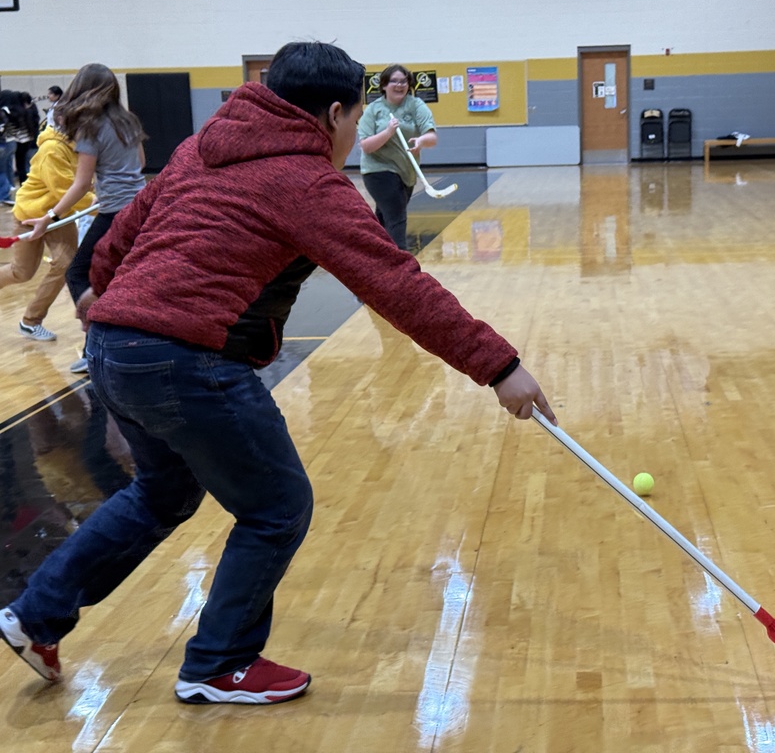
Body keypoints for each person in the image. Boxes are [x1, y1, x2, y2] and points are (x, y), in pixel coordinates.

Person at [0, 41, 556, 706]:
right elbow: (396, 283)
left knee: (163, 494)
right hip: (186, 360)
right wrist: (499, 367)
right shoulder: (306, 179)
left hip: (117, 349)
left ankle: (37, 616)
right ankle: (219, 662)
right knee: (276, 506)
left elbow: (129, 226)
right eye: (352, 120)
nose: (350, 135)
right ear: (332, 113)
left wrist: (99, 292)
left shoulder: (201, 146)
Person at [21, 64, 147, 373]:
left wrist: (48, 216)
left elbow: (79, 184)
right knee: (121, 275)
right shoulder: (128, 120)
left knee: (78, 273)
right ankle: (124, 342)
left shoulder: (91, 127)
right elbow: (141, 163)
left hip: (116, 212)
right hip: (142, 208)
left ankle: (96, 347)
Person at [0, 124, 96, 341]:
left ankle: (30, 321)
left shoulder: (79, 145)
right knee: (21, 272)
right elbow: (64, 189)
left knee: (66, 265)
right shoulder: (53, 148)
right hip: (30, 215)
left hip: (58, 217)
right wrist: (101, 205)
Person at [357, 64, 437, 251]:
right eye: (394, 81)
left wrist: (421, 141)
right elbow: (366, 146)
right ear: (384, 85)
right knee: (396, 215)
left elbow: (432, 137)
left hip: (406, 171)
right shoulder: (374, 110)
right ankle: (401, 261)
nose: (400, 85)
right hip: (377, 170)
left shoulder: (416, 105)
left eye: (404, 81)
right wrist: (388, 132)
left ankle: (375, 253)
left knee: (384, 217)